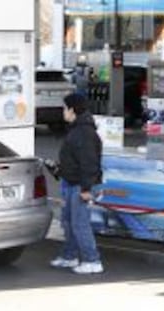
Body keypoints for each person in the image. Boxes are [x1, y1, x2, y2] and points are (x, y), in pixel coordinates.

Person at [49, 93, 103, 274]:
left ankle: (92, 260)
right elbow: (75, 159)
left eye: (65, 108)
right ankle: (69, 256)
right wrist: (59, 169)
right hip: (71, 182)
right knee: (69, 222)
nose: (63, 111)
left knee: (80, 224)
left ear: (72, 109)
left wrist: (87, 189)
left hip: (80, 185)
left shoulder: (84, 132)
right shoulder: (76, 129)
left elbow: (90, 163)